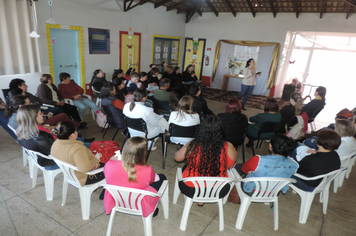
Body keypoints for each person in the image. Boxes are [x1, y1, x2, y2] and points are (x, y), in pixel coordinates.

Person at [174, 115, 237, 201]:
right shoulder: (229, 147)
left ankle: (200, 201)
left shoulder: (192, 146)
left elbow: (177, 158)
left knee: (185, 168)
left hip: (191, 189)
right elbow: (230, 165)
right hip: (219, 189)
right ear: (221, 131)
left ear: (202, 130)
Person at [103, 137, 166, 217]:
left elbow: (106, 174)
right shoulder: (147, 169)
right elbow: (152, 180)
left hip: (117, 199)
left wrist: (111, 159)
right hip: (139, 202)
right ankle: (150, 209)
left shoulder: (109, 164)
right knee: (162, 177)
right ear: (143, 153)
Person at [51, 121, 105, 187]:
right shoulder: (77, 148)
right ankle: (107, 192)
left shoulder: (55, 143)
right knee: (115, 169)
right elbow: (85, 168)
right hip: (84, 177)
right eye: (75, 131)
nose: (77, 132)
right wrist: (95, 163)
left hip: (69, 175)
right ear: (71, 135)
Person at [16, 104, 59, 170]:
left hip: (41, 158)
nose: (42, 115)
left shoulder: (21, 131)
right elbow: (55, 151)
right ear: (32, 118)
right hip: (51, 162)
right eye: (40, 113)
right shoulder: (40, 136)